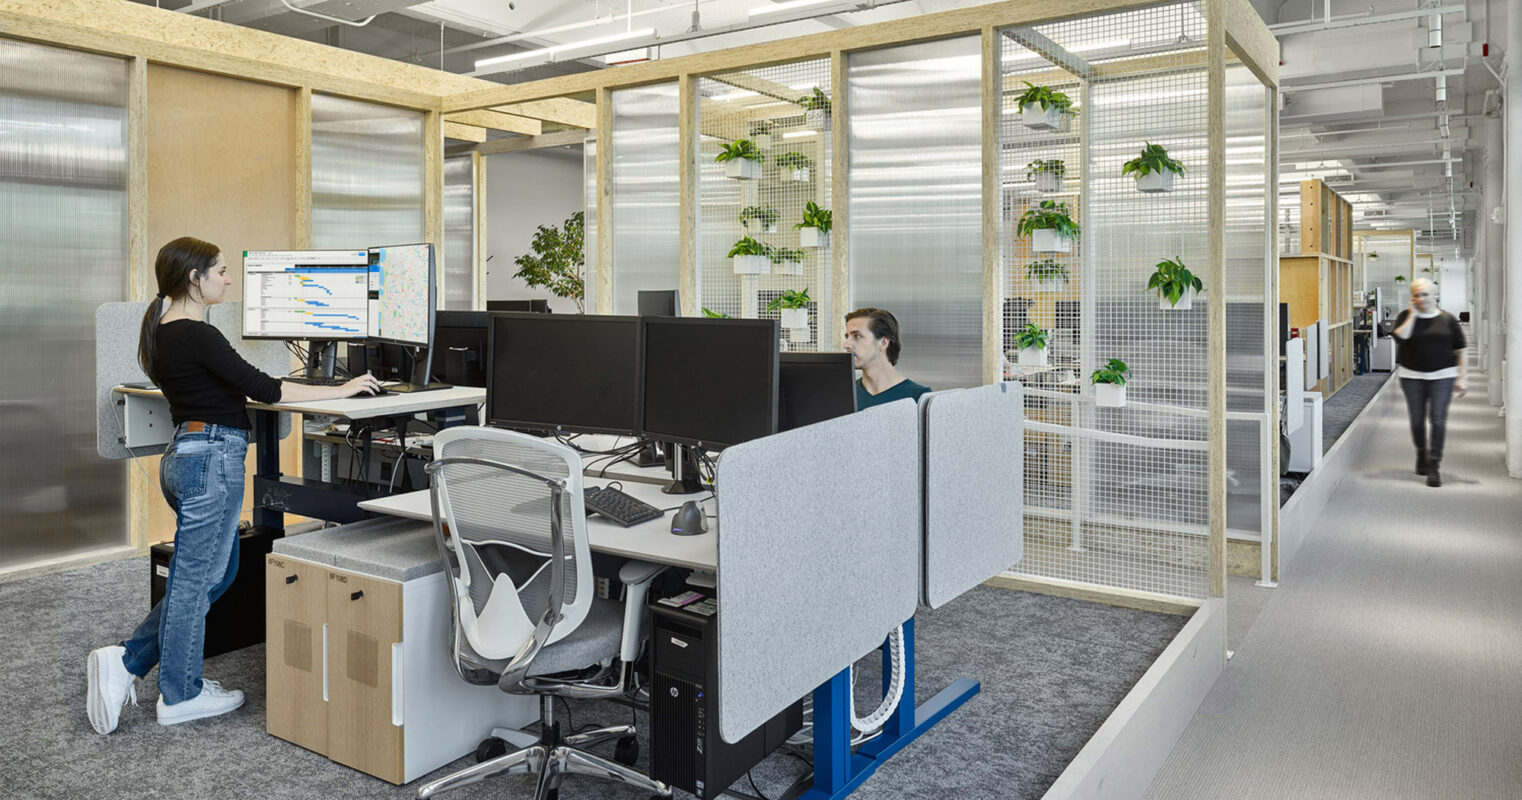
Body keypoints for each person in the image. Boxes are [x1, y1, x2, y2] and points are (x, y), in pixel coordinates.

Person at [87, 237, 383, 735]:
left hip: (189, 456)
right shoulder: (196, 334)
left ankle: (127, 659)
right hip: (210, 461)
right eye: (221, 271)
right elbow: (267, 388)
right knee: (193, 582)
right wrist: (345, 388)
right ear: (193, 279)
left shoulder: (163, 331)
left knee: (216, 575)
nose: (229, 279)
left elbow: (232, 385)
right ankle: (180, 694)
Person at [1391, 278, 1467, 488]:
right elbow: (1401, 338)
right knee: (1416, 420)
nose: (1421, 298)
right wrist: (1413, 315)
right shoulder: (1405, 317)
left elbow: (1460, 350)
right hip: (1411, 376)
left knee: (1438, 419)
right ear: (1411, 298)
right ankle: (1421, 453)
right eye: (1416, 294)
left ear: (1435, 296)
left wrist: (1462, 377)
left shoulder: (1448, 319)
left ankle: (1434, 464)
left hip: (1443, 376)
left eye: (1425, 294)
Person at [843, 307, 930, 409]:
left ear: (883, 343)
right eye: (847, 337)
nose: (846, 345)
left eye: (857, 336)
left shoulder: (918, 398)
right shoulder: (844, 394)